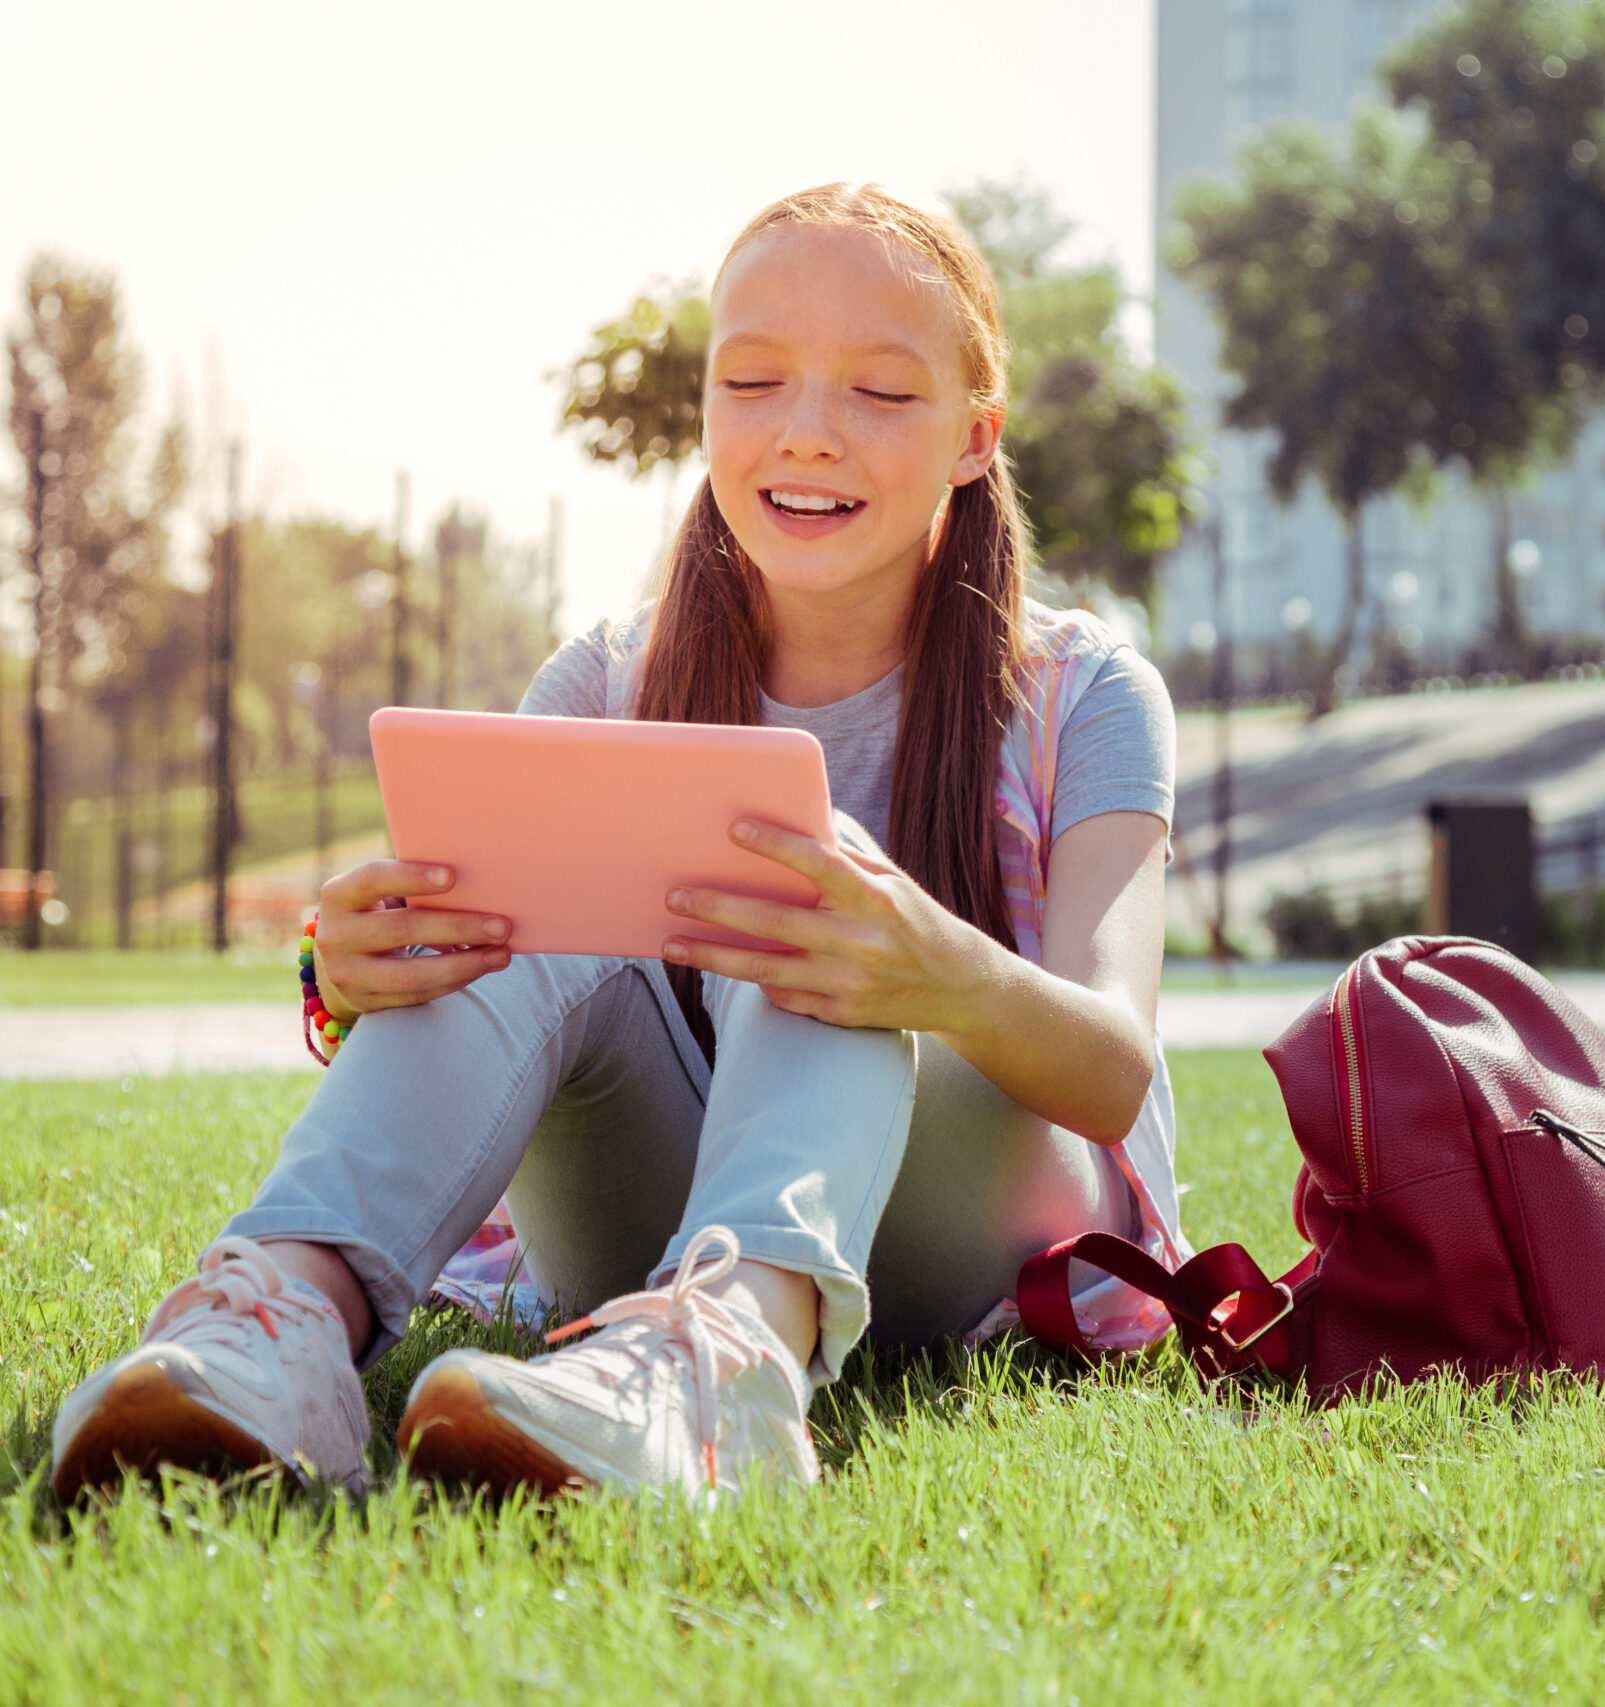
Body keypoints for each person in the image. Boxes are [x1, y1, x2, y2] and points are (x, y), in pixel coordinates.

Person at [47, 183, 1187, 1501]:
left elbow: (1113, 1069)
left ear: (976, 438)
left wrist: (930, 962)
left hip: (964, 1235)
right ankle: (279, 1331)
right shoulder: (601, 679)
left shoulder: (1088, 692)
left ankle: (731, 1373)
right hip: (636, 1214)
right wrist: (349, 970)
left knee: (798, 918)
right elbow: (489, 989)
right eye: (753, 381)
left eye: (881, 395)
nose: (807, 433)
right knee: (518, 920)